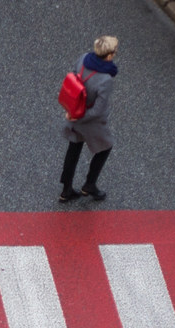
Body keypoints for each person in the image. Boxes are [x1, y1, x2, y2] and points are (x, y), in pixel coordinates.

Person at [59, 35, 119, 203]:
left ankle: (66, 189)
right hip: (89, 121)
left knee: (73, 150)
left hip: (73, 113)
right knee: (105, 148)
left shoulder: (84, 58)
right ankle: (89, 185)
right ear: (108, 56)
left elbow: (72, 76)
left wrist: (72, 114)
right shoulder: (105, 79)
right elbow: (98, 111)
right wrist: (79, 117)